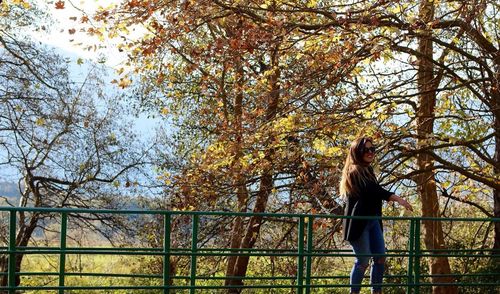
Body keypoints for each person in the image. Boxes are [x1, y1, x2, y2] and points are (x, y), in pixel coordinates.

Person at [340, 136, 413, 294]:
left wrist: (392, 198)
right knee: (363, 261)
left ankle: (376, 291)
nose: (370, 152)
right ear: (357, 151)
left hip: (373, 221)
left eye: (372, 149)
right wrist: (396, 198)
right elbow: (372, 190)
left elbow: (374, 191)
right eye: (366, 149)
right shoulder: (354, 171)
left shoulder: (368, 170)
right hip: (359, 224)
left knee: (380, 258)